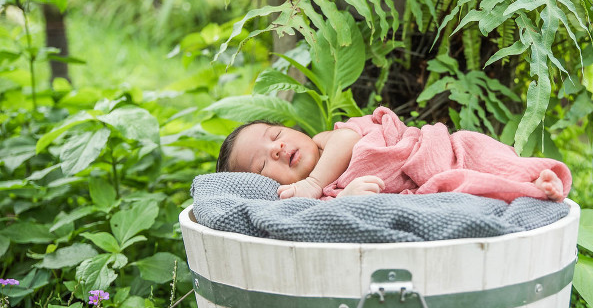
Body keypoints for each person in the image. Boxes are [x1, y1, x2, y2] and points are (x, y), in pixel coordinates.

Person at [216, 108, 569, 202]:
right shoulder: (310, 199)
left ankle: (529, 173)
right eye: (263, 164)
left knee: (477, 150)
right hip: (421, 184)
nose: (276, 148)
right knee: (468, 187)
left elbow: (349, 141)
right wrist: (344, 199)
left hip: (429, 149)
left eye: (275, 135)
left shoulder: (327, 141)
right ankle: (533, 189)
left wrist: (313, 182)